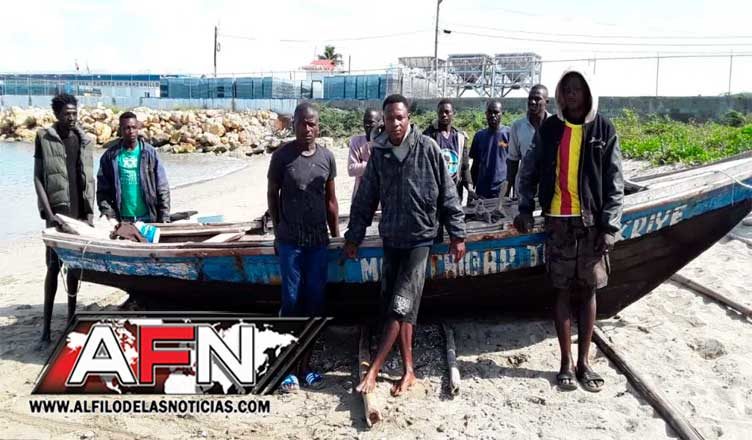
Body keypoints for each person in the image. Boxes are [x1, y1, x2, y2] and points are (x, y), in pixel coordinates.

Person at [343, 94, 466, 397]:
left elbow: (448, 194)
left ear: (408, 118)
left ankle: (374, 370)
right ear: (383, 121)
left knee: (400, 305)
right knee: (398, 306)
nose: (395, 123)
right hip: (392, 239)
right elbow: (365, 200)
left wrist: (457, 235)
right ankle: (409, 370)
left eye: (400, 117)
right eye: (389, 118)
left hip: (420, 239)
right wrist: (353, 237)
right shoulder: (380, 154)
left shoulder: (428, 149)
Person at [514, 69, 624, 393]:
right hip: (558, 221)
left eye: (578, 88)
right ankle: (565, 362)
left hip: (591, 224)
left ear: (588, 93)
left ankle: (584, 363)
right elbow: (529, 170)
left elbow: (615, 183)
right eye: (567, 89)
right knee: (561, 290)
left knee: (589, 291)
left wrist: (609, 226)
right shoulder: (550, 128)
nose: (572, 94)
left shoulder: (603, 129)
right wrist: (524, 208)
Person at [267, 102, 339, 392]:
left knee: (315, 303)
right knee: (291, 302)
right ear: (293, 125)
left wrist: (336, 236)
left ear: (318, 126)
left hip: (318, 243)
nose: (307, 129)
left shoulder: (327, 157)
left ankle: (306, 366)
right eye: (302, 123)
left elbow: (331, 201)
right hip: (290, 244)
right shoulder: (281, 157)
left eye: (312, 124)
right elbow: (272, 195)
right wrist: (277, 232)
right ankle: (287, 367)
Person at [34, 93, 96, 343]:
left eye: (74, 113)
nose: (71, 118)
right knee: (52, 267)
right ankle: (46, 329)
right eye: (67, 114)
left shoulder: (84, 139)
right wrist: (49, 215)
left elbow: (89, 177)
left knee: (74, 268)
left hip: (79, 214)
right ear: (57, 115)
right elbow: (38, 178)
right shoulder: (44, 138)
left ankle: (71, 318)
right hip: (57, 214)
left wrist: (90, 213)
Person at [97, 112, 170, 223]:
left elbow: (162, 187)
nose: (131, 131)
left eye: (134, 127)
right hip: (122, 219)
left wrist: (164, 216)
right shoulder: (110, 157)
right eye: (127, 128)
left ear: (138, 128)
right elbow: (102, 191)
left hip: (148, 218)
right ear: (120, 130)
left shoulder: (150, 154)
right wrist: (109, 215)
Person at [423, 98, 475, 201]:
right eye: (441, 112)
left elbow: (464, 167)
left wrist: (470, 189)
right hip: (435, 194)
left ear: (453, 113)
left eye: (447, 112)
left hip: (455, 193)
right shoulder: (428, 136)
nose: (444, 115)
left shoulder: (460, 137)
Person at [507, 84, 550, 200]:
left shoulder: (555, 125)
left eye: (537, 99)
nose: (532, 102)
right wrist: (507, 192)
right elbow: (513, 161)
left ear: (546, 102)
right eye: (530, 98)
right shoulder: (517, 126)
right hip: (524, 192)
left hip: (550, 192)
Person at [469, 100, 511, 199]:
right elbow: (475, 165)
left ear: (502, 113)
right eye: (490, 112)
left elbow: (514, 164)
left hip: (501, 189)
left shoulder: (509, 134)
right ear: (486, 114)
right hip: (482, 190)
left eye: (496, 112)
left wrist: (511, 189)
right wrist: (471, 190)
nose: (492, 115)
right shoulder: (479, 136)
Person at [347, 108, 382, 199]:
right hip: (361, 197)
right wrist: (375, 164)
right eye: (365, 122)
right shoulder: (356, 142)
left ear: (380, 123)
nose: (367, 125)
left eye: (371, 122)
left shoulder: (386, 142)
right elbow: (351, 169)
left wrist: (362, 165)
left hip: (382, 199)